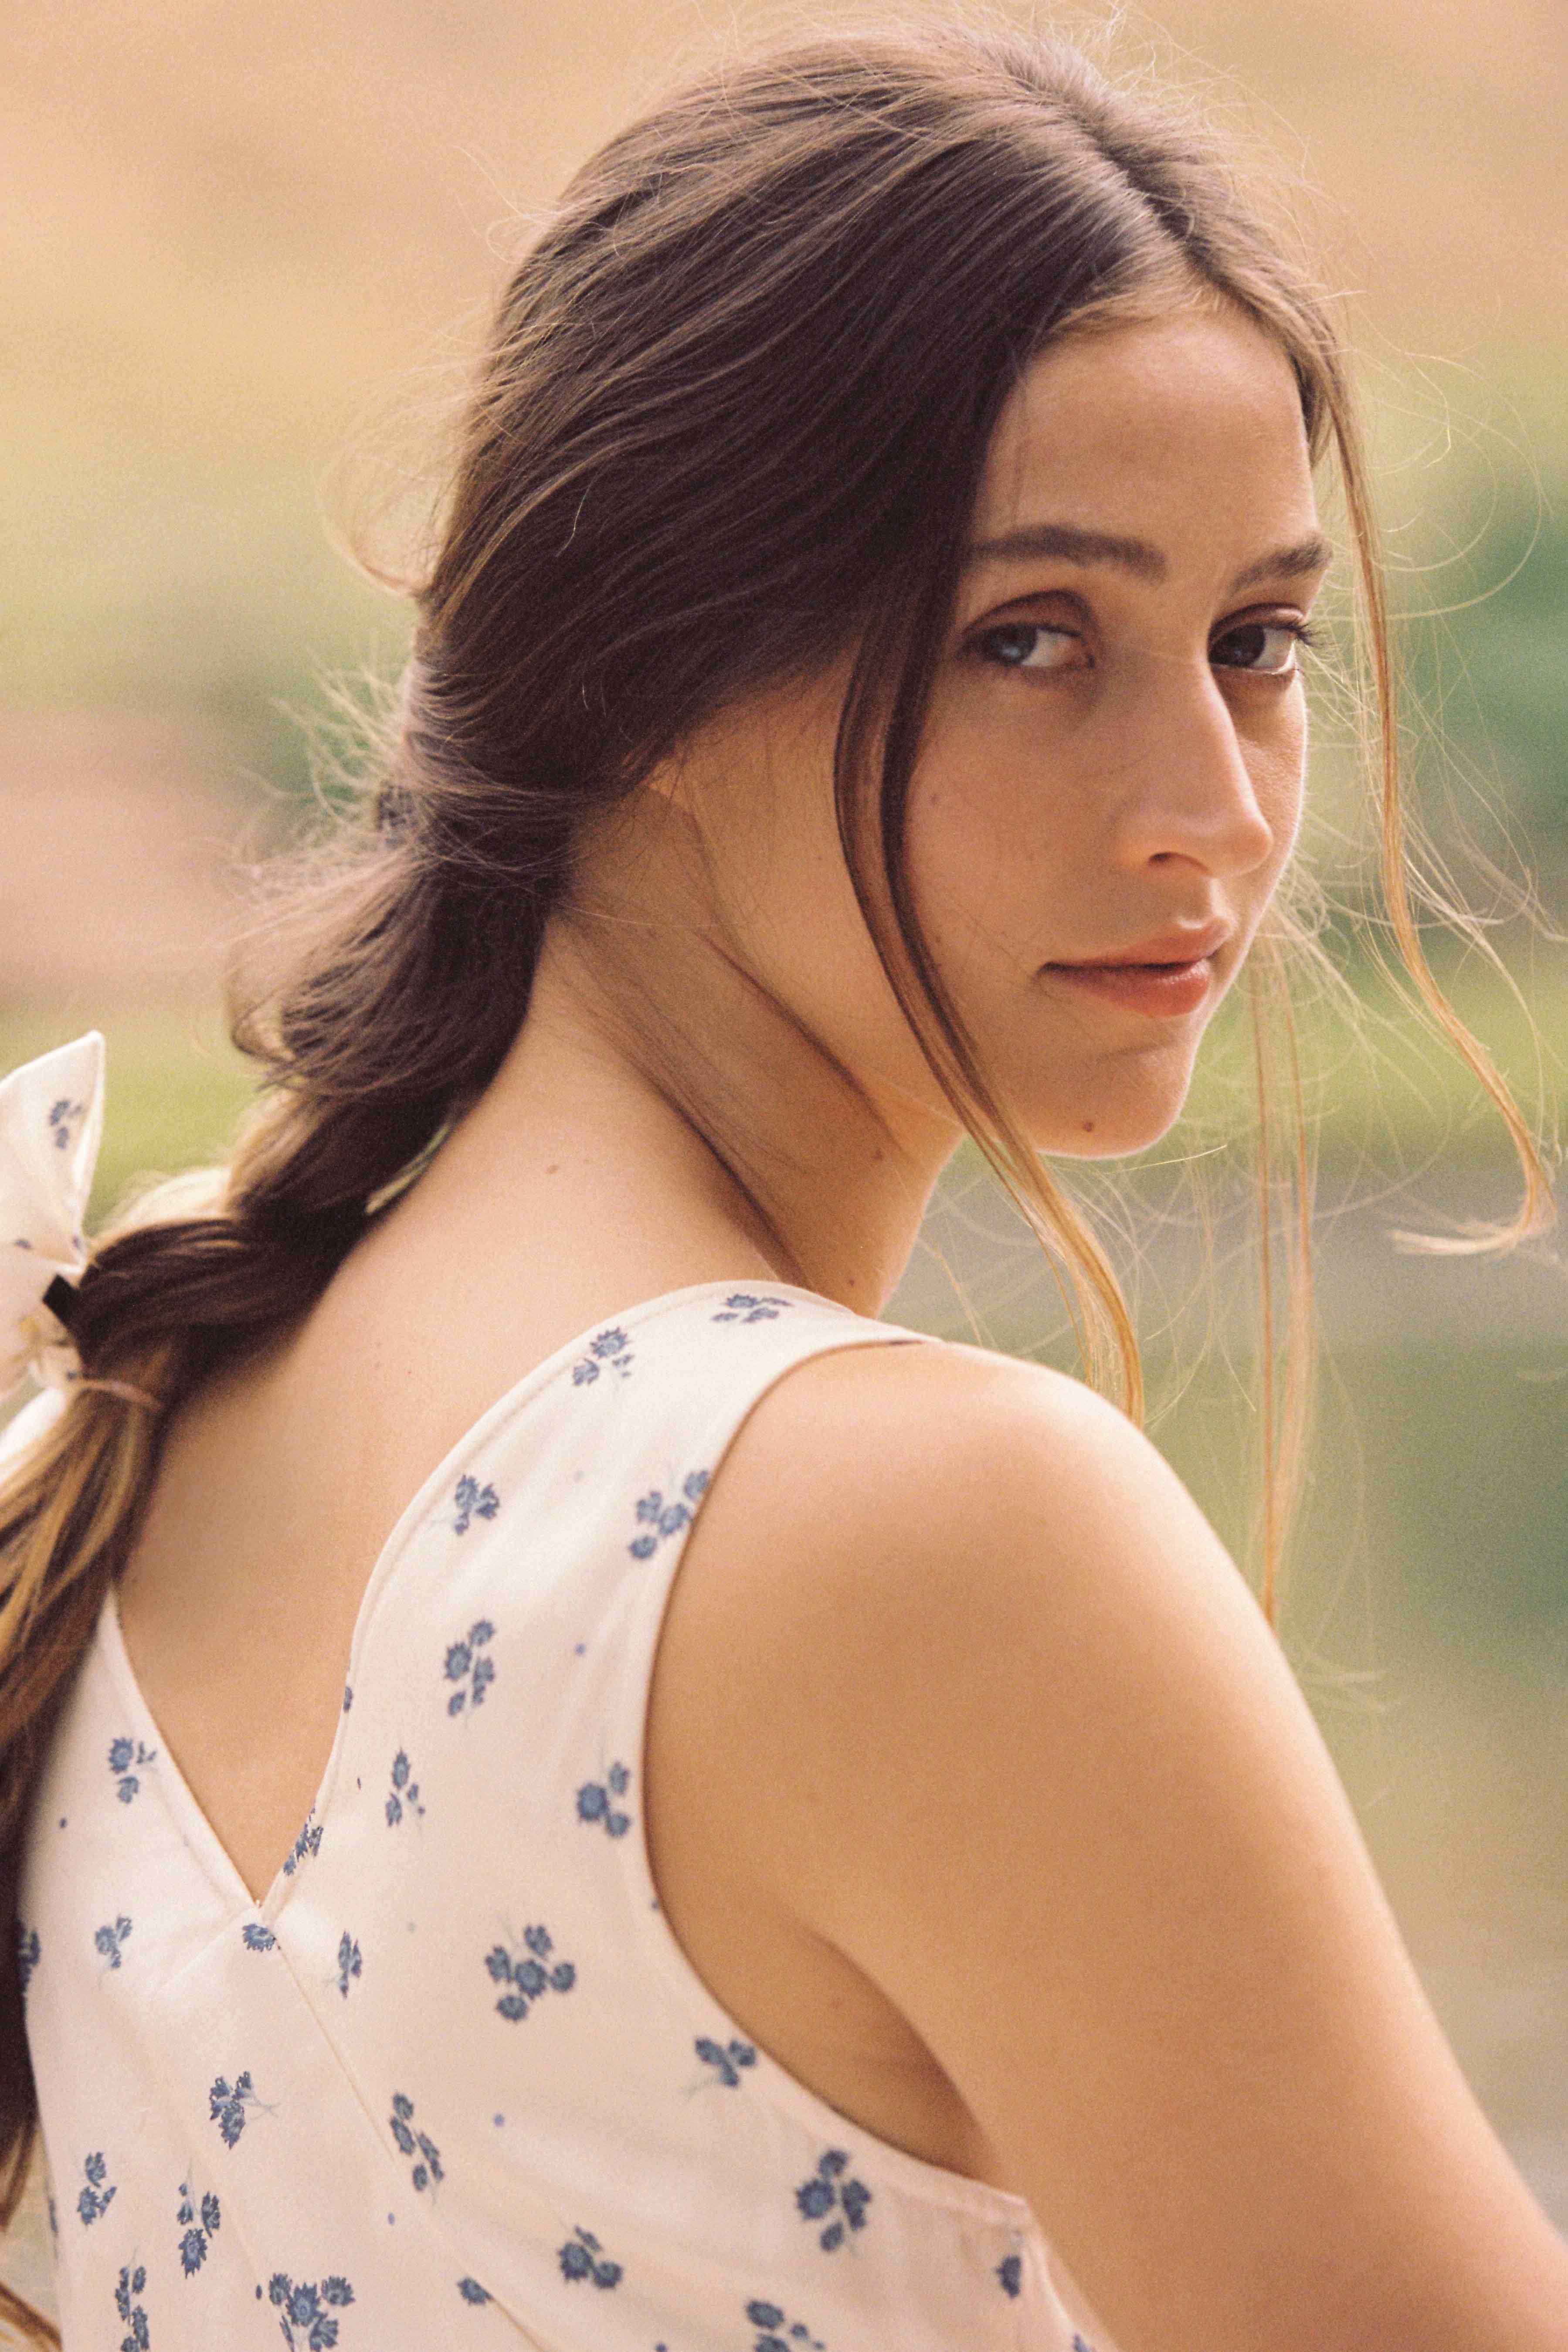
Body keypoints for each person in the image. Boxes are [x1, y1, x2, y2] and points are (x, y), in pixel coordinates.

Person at [1, 20, 1564, 2351]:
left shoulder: (155, 1414)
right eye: (1031, 638)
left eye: (1257, 642)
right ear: (634, 670)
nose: (1214, 808)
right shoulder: (918, 1526)